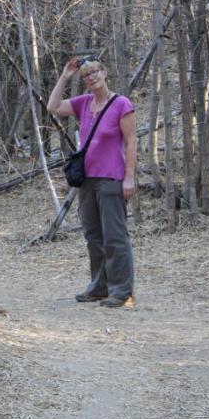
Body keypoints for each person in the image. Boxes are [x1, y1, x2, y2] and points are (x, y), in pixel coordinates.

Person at [48, 55, 136, 308]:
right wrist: (65, 76)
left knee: (115, 237)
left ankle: (122, 291)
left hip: (112, 179)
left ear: (105, 73)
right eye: (87, 75)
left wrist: (129, 178)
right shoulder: (84, 103)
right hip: (87, 180)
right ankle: (99, 287)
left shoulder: (121, 104)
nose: (92, 76)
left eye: (96, 71)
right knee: (94, 236)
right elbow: (53, 107)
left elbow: (131, 142)